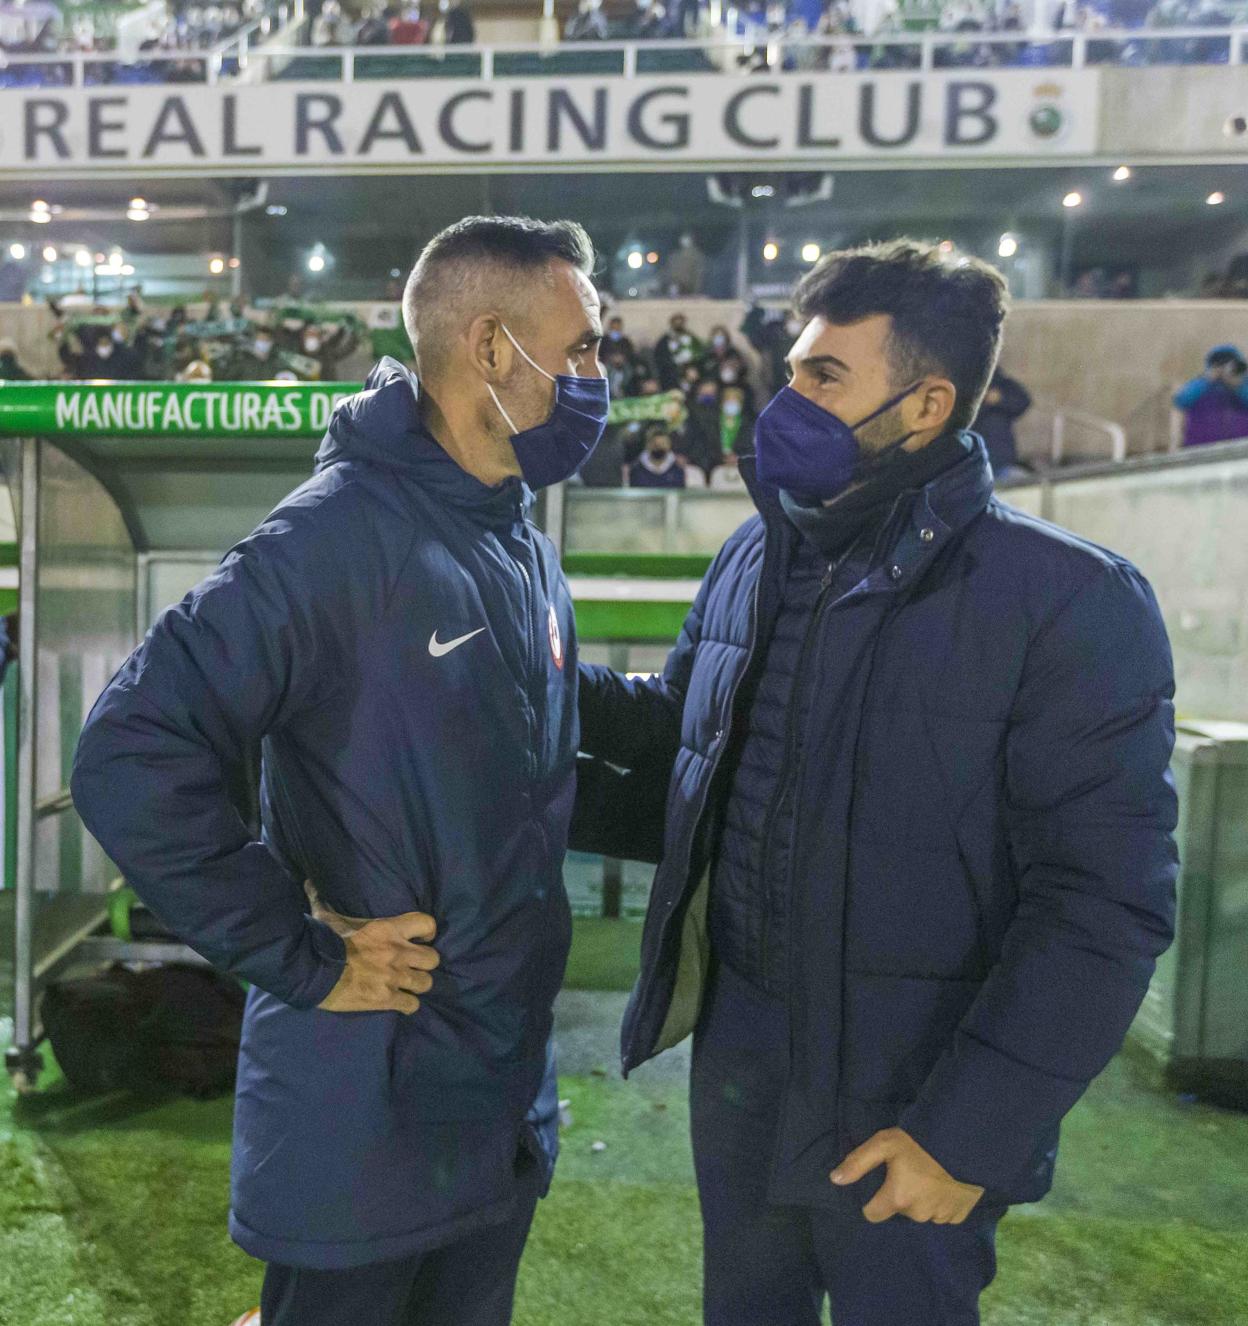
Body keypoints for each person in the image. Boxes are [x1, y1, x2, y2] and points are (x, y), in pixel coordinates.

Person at [571, 238, 1178, 1325]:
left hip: (915, 1097)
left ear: (927, 404)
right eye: (793, 370)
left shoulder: (1067, 601)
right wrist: (535, 690)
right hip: (744, 1071)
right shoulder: (755, 559)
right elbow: (693, 758)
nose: (786, 399)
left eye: (824, 376)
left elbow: (1104, 906)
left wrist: (969, 1135)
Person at [71, 216, 609, 1326]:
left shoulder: (515, 542)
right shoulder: (326, 542)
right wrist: (300, 950)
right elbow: (129, 752)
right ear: (495, 349)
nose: (602, 377)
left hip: (496, 1107)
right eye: (588, 347)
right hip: (365, 1106)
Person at [1173, 345, 1248, 447]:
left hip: (1241, 447)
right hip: (1201, 448)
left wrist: (1237, 386)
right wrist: (1207, 380)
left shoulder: (1242, 384)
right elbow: (1181, 401)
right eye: (1219, 364)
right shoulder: (1201, 385)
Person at [973, 365, 1032, 478]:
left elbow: (1023, 401)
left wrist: (1000, 399)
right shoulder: (964, 388)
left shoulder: (1000, 383)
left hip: (1001, 460)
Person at [654, 312, 703, 391]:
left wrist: (693, 369)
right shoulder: (664, 341)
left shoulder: (691, 338)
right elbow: (660, 359)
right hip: (670, 376)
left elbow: (699, 355)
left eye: (681, 322)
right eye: (676, 322)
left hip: (689, 375)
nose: (678, 325)